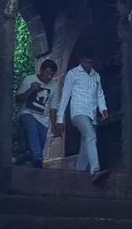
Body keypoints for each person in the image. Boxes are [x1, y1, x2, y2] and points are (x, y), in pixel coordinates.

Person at [55, 55, 110, 184]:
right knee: (91, 136)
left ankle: (77, 175)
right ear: (80, 60)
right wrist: (60, 119)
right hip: (78, 112)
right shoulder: (72, 74)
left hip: (92, 113)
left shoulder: (96, 76)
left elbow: (100, 95)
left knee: (86, 146)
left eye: (91, 62)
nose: (88, 65)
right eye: (86, 62)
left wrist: (103, 109)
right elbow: (65, 96)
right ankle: (95, 170)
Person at [15, 59, 60, 168]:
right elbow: (17, 100)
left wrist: (54, 126)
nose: (49, 77)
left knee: (38, 142)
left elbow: (53, 107)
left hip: (43, 120)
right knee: (32, 125)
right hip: (26, 114)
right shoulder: (29, 79)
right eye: (47, 74)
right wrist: (31, 90)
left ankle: (28, 159)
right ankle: (38, 157)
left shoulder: (54, 85)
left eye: (52, 75)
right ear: (41, 70)